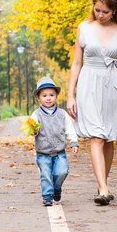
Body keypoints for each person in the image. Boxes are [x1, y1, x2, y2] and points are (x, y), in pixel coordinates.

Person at [66, 0, 117, 206]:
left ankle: (102, 182)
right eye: (97, 10)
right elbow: (77, 63)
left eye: (105, 11)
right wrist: (70, 94)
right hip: (89, 83)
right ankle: (104, 190)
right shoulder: (84, 28)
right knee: (96, 136)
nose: (100, 14)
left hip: (113, 84)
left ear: (114, 10)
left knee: (108, 137)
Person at [30, 77, 79, 206]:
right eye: (44, 95)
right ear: (38, 98)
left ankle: (57, 188)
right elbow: (32, 130)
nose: (48, 98)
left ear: (56, 96)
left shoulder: (62, 114)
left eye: (51, 95)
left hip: (59, 152)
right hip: (43, 152)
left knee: (62, 171)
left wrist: (74, 142)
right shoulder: (36, 115)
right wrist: (34, 129)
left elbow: (69, 129)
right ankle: (47, 195)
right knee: (45, 174)